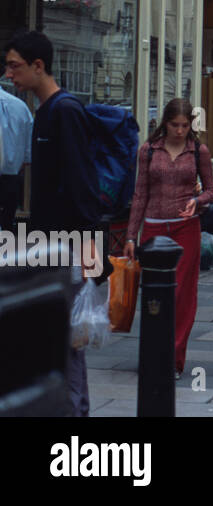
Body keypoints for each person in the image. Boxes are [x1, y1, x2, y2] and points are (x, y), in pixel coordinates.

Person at [5, 29, 105, 416]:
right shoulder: (45, 112)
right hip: (51, 247)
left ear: (38, 66)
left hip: (70, 248)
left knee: (67, 341)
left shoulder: (65, 111)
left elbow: (82, 187)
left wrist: (89, 255)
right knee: (58, 340)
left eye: (15, 66)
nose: (9, 74)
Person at [126, 98, 213, 378]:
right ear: (164, 123)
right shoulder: (148, 151)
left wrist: (197, 201)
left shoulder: (198, 151)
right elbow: (140, 194)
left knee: (182, 294)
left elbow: (211, 191)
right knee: (154, 294)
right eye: (174, 125)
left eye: (185, 125)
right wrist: (131, 236)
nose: (179, 130)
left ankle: (174, 359)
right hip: (153, 228)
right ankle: (154, 353)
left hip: (185, 228)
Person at [0, 79, 32, 234]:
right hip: (11, 178)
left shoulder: (20, 107)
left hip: (11, 178)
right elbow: (28, 154)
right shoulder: (20, 107)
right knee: (6, 230)